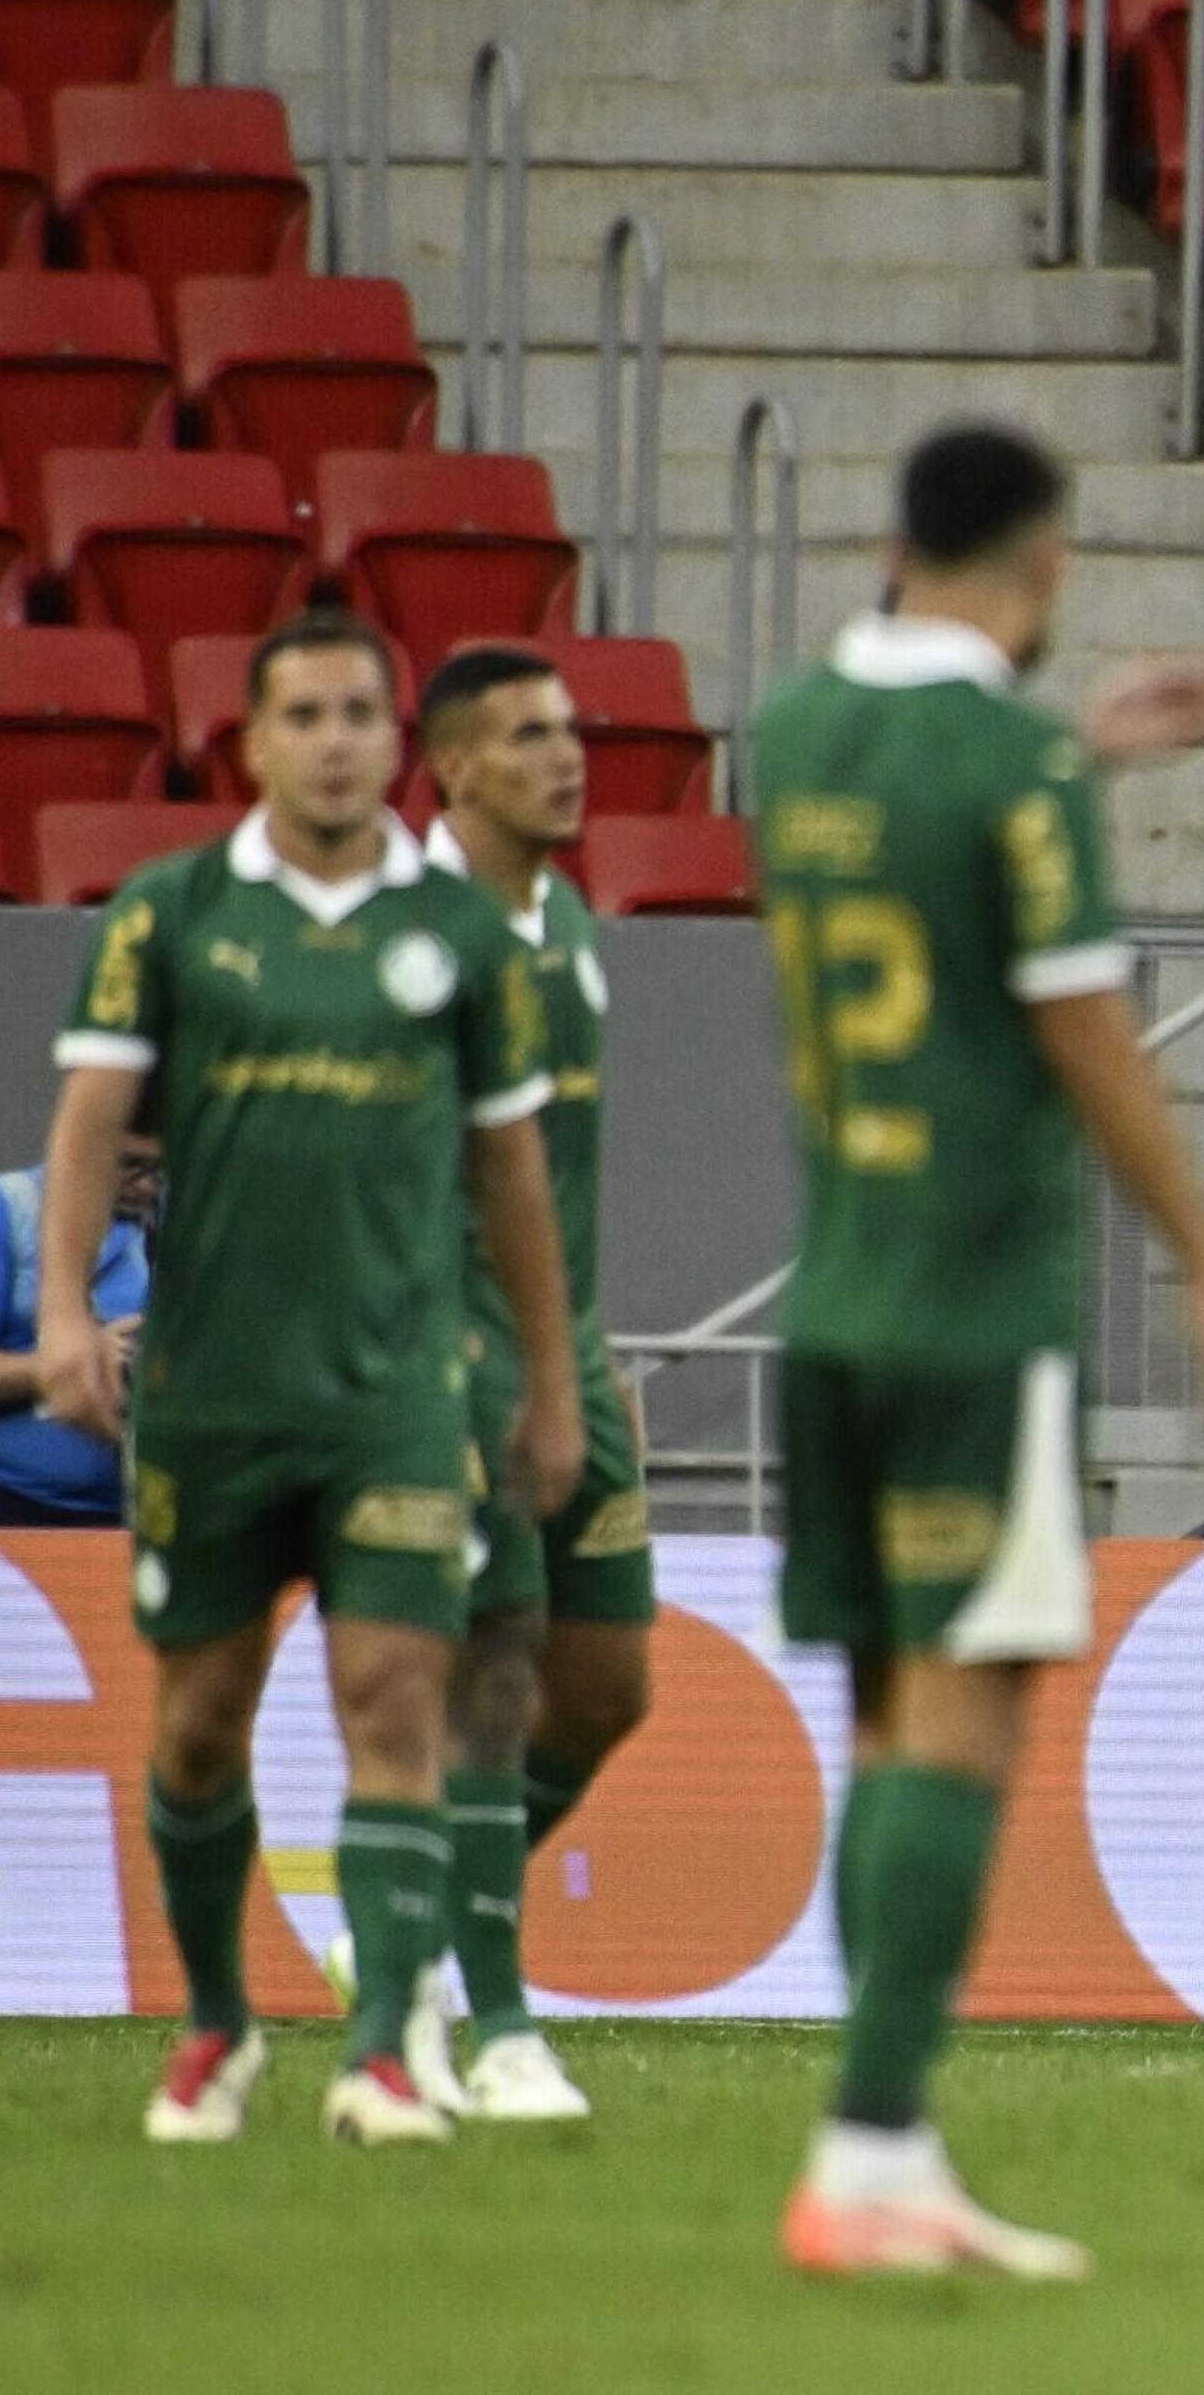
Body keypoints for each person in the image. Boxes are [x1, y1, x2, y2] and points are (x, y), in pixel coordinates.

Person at [756, 422, 1204, 2282]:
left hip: (834, 1299)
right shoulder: (1012, 761)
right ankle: (876, 2146)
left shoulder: (797, 733)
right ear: (1043, 563)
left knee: (885, 1728)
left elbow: (934, 824)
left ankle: (879, 2130)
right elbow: (1084, 1036)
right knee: (962, 1730)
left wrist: (1077, 758)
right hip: (981, 1309)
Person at [39, 608, 585, 2147]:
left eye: (361, 714)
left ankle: (383, 2053)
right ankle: (218, 2020)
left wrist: (548, 1380)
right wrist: (68, 1311)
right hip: (214, 1390)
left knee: (390, 1700)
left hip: (397, 1395)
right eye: (308, 715)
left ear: (395, 742)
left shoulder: (467, 939)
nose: (337, 740)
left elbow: (513, 1173)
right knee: (199, 1723)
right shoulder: (170, 912)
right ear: (254, 739)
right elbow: (91, 1117)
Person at [317, 645, 659, 2124]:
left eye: (571, 731)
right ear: (452, 768)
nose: (567, 757)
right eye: (528, 736)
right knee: (494, 1686)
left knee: (611, 1688)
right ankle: (499, 2023)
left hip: (567, 1352)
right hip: (451, 1359)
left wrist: (587, 1350)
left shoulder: (568, 920)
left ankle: (407, 1935)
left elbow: (555, 1184)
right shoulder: (411, 939)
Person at [0, 1132, 160, 1528]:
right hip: (9, 1504)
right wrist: (68, 1361)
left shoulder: (178, 1217)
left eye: (159, 1170)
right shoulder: (8, 1206)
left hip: (142, 1506)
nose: (148, 1184)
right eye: (130, 1166)